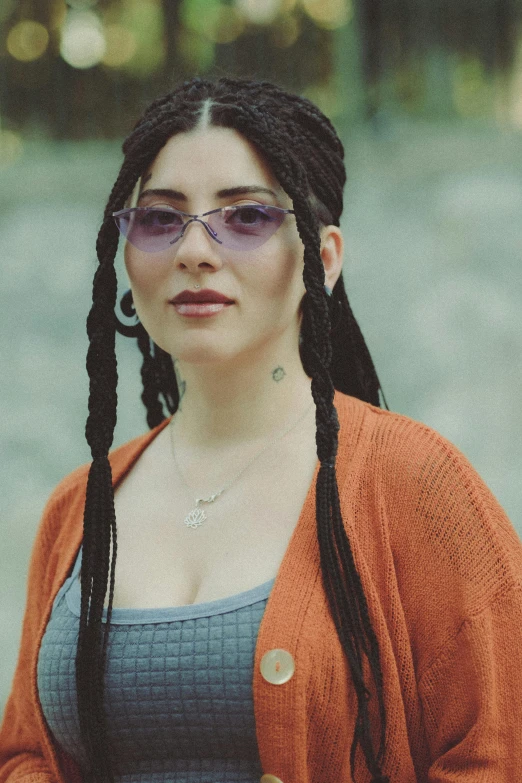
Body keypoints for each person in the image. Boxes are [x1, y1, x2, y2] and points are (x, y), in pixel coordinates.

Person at [1, 76, 521, 783]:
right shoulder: (80, 508)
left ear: (325, 258)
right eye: (160, 217)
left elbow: (498, 751)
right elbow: (26, 756)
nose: (195, 249)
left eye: (244, 216)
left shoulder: (415, 483)